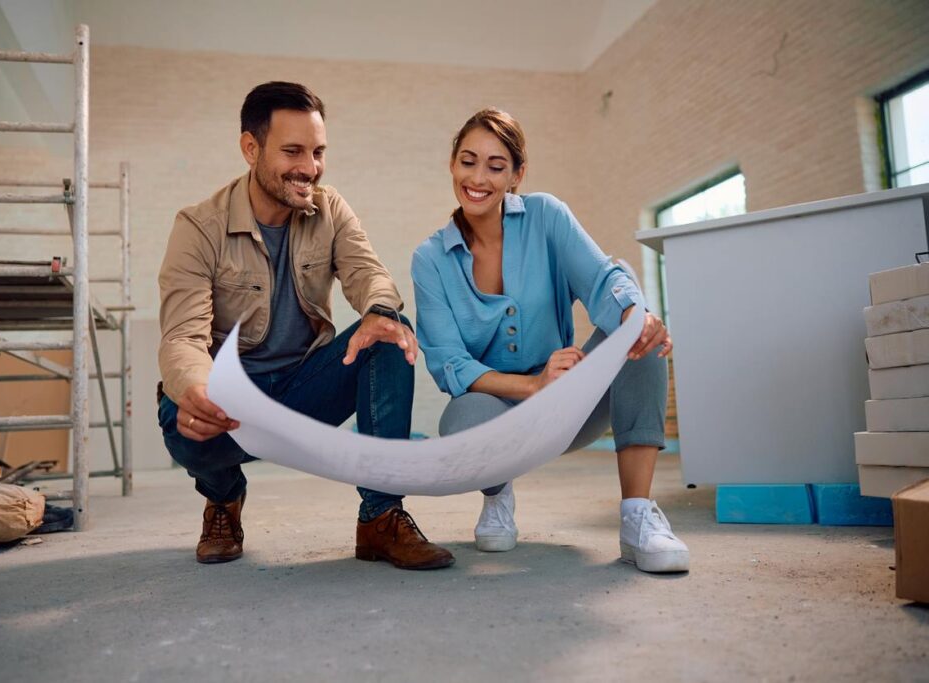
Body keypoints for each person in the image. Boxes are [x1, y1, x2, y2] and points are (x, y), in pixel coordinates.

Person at [157, 81, 453, 570]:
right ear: (251, 148)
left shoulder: (330, 208)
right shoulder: (198, 227)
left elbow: (367, 274)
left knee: (387, 330)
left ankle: (381, 516)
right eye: (293, 151)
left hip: (303, 390)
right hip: (232, 399)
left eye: (318, 152)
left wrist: (378, 309)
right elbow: (183, 337)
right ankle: (223, 497)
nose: (309, 167)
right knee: (179, 413)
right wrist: (196, 389)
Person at [410, 108, 689, 573]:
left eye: (496, 166)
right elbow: (450, 364)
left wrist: (633, 314)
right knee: (460, 420)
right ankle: (497, 497)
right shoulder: (430, 258)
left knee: (635, 332)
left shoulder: (547, 216)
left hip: (571, 406)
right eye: (468, 161)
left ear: (517, 175)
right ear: (453, 165)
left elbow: (603, 279)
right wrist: (535, 385)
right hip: (500, 411)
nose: (478, 178)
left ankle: (638, 517)